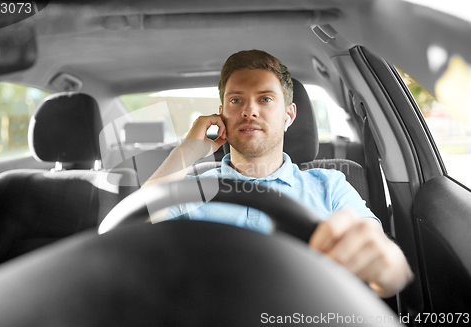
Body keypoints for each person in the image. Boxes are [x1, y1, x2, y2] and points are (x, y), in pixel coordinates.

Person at [142, 49, 413, 298]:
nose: (249, 111)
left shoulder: (330, 185)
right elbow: (134, 226)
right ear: (221, 114)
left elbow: (386, 264)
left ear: (288, 116)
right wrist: (188, 151)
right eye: (236, 100)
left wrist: (388, 265)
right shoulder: (189, 190)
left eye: (265, 99)